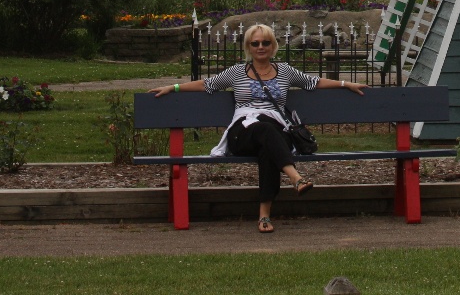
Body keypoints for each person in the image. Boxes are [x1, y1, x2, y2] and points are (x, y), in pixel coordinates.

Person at [148, 23, 365, 233]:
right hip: (243, 133)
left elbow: (313, 82)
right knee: (265, 131)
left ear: (273, 47)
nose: (260, 47)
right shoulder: (236, 72)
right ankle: (296, 178)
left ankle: (264, 216)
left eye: (265, 42)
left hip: (275, 133)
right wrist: (173, 87)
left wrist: (346, 84)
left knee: (268, 146)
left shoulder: (285, 71)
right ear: (248, 48)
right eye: (255, 43)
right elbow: (207, 84)